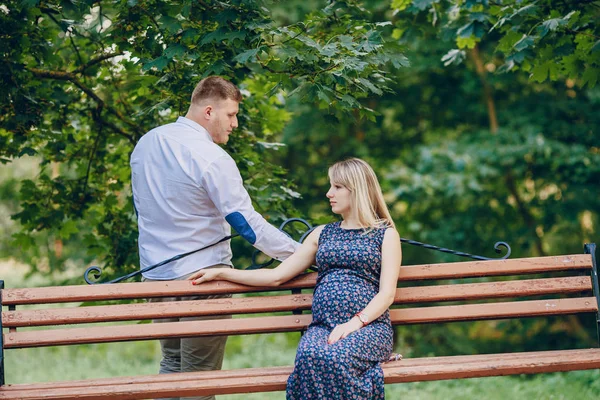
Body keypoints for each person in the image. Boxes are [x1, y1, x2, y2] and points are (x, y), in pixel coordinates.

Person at [130, 76, 300, 400]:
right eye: (231, 115)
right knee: (200, 383)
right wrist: (301, 253)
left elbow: (145, 211)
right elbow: (246, 225)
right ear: (209, 111)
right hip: (202, 283)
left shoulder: (146, 144)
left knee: (172, 366)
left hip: (156, 281)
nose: (235, 124)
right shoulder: (211, 158)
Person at [189, 157, 402, 399]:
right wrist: (221, 272)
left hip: (368, 328)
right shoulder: (322, 234)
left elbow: (387, 294)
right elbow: (277, 277)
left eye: (337, 187)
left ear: (358, 189)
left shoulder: (385, 235)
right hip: (324, 327)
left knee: (334, 358)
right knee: (310, 357)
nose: (328, 193)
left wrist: (354, 323)